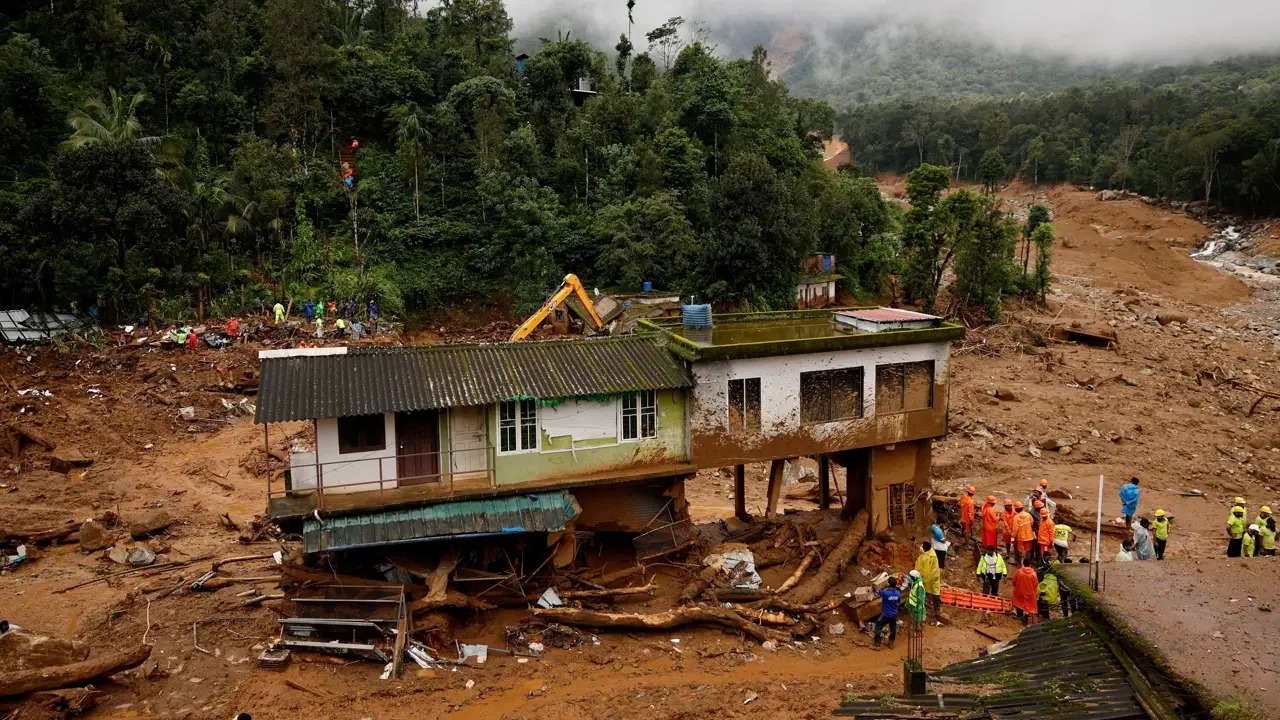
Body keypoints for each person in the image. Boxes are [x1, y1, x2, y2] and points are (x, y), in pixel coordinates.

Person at [914, 541, 942, 623]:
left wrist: (923, 581)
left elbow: (926, 571)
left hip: (932, 577)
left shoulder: (928, 558)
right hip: (935, 576)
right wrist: (915, 543)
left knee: (934, 594)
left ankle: (936, 610)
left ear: (926, 548)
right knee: (935, 592)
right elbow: (922, 550)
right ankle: (935, 608)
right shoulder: (931, 552)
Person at [873, 576, 901, 649]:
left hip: (886, 614)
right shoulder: (898, 593)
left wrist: (883, 587)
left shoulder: (885, 593)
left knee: (878, 625)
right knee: (893, 627)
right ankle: (891, 643)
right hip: (894, 614)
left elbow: (876, 591)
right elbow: (898, 602)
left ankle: (877, 644)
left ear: (888, 584)